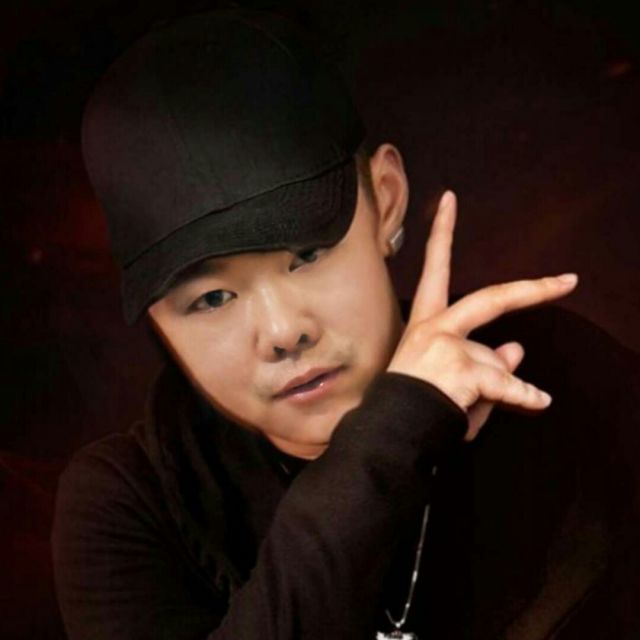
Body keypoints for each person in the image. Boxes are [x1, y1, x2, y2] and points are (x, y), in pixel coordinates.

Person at [51, 8, 640, 640]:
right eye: (213, 298)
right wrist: (396, 430)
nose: (284, 332)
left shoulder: (567, 377)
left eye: (308, 254)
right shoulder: (127, 505)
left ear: (385, 199)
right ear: (159, 322)